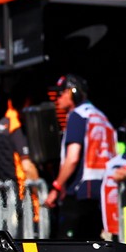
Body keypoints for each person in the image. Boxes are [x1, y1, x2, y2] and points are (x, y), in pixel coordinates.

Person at [47, 74, 112, 242]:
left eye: (60, 94)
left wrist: (56, 186)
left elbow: (73, 158)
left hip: (81, 192)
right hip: (104, 190)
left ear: (72, 92)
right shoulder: (101, 116)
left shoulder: (77, 115)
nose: (57, 99)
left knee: (68, 249)